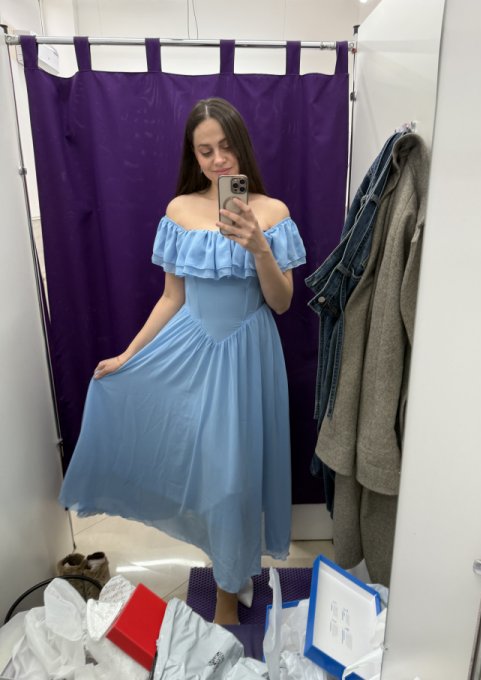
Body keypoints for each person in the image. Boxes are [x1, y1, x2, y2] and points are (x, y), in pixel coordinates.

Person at [59, 97, 306, 624]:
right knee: (212, 479)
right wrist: (128, 355)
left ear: (241, 146)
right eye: (205, 150)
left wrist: (260, 247)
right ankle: (230, 572)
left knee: (237, 479)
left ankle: (229, 590)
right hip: (193, 355)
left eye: (226, 147)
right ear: (194, 156)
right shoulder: (179, 212)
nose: (219, 160)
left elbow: (282, 302)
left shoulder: (272, 212)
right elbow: (172, 298)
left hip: (249, 355)